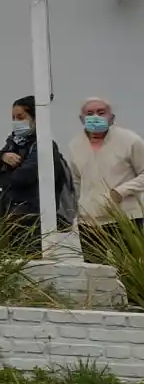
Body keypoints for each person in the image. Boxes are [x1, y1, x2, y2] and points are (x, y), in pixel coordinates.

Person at [0, 95, 72, 252]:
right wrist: (1, 157)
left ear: (35, 119)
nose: (16, 122)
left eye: (21, 117)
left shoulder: (44, 146)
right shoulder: (13, 144)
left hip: (34, 221)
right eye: (13, 118)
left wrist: (1, 179)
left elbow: (22, 177)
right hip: (9, 217)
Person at [67, 97, 144, 262]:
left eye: (101, 112)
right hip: (89, 222)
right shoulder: (74, 145)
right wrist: (74, 211)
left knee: (127, 272)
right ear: (81, 119)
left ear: (112, 117)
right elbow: (76, 182)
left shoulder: (130, 140)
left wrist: (120, 192)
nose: (95, 116)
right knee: (95, 274)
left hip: (125, 219)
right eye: (90, 113)